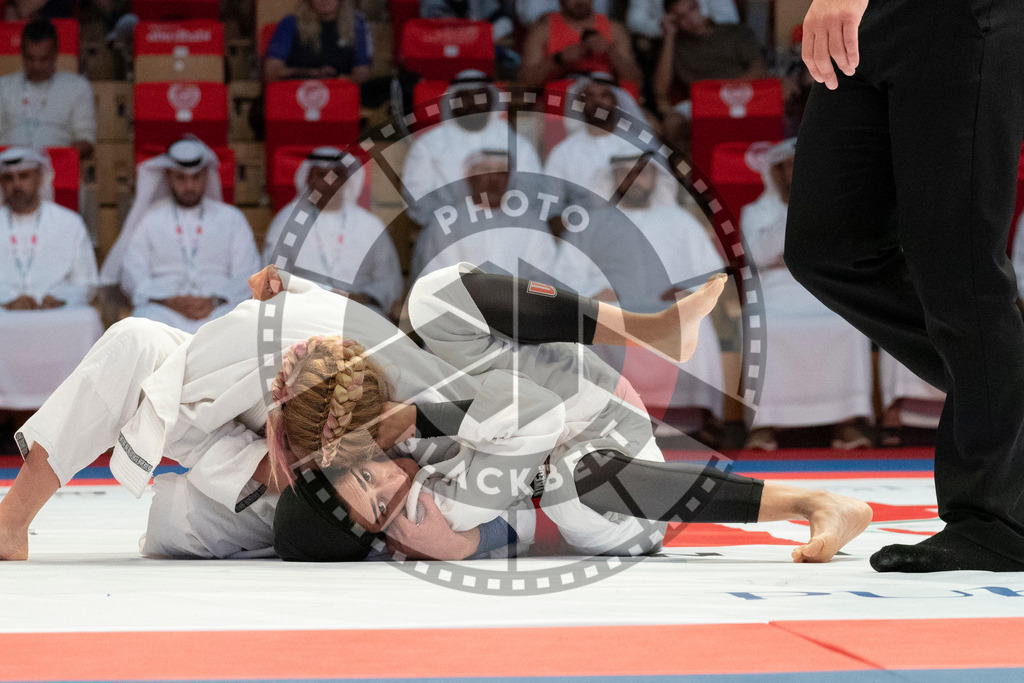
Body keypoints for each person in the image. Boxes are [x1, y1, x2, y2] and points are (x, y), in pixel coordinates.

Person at [265, 262, 872, 563]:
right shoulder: (434, 521)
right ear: (377, 530)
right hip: (611, 486)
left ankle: (647, 329)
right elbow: (534, 417)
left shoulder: (382, 444)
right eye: (373, 498)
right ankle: (807, 504)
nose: (384, 472)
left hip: (585, 395)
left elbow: (381, 343)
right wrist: (421, 422)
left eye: (364, 467)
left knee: (434, 296)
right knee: (567, 486)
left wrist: (299, 291)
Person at [786, 0, 1024, 572]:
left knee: (956, 260)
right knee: (828, 250)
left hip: (965, 14)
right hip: (868, 20)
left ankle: (998, 521)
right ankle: (1006, 392)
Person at [568, 154, 728, 445]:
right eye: (623, 173)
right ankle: (610, 415)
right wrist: (595, 291)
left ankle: (691, 419)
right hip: (614, 308)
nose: (633, 180)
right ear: (611, 178)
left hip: (670, 307)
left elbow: (712, 271)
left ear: (655, 178)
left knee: (694, 325)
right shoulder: (590, 224)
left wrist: (686, 290)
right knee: (598, 324)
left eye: (642, 173)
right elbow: (565, 272)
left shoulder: (679, 220)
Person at [740, 139, 873, 451]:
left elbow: (839, 253)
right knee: (767, 328)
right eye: (790, 167)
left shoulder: (833, 205)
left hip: (821, 286)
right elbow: (758, 254)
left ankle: (846, 422)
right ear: (776, 171)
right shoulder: (755, 211)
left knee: (849, 325)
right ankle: (765, 425)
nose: (796, 173)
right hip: (775, 291)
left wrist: (788, 252)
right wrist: (795, 214)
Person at [102, 138, 261, 334]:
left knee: (242, 325)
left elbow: (248, 274)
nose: (189, 186)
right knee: (140, 325)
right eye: (181, 178)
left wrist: (214, 301)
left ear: (206, 176)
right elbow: (133, 274)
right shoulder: (149, 219)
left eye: (196, 178)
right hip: (162, 309)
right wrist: (170, 302)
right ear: (167, 176)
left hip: (220, 308)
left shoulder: (232, 218)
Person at [0, 147, 102, 428]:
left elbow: (86, 281)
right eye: (8, 179)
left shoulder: (69, 223)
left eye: (23, 176)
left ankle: (78, 422)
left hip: (56, 312)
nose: (15, 185)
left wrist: (59, 298)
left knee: (87, 319)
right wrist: (7, 300)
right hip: (5, 313)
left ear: (40, 179)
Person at [262, 147, 403, 320]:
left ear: (346, 180)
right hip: (301, 311)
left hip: (358, 310)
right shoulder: (285, 222)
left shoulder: (370, 225)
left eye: (336, 175)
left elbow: (388, 281)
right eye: (320, 174)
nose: (328, 182)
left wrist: (363, 297)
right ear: (308, 178)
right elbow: (270, 279)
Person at [401, 70, 543, 228]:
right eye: (464, 98)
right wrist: (453, 223)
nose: (473, 103)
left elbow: (530, 188)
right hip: (447, 231)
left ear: (491, 99)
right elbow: (417, 196)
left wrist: (502, 219)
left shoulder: (516, 143)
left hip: (507, 226)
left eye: (480, 97)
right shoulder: (428, 144)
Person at [542, 73, 653, 235]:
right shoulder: (563, 153)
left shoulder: (639, 148)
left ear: (617, 102)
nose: (597, 102)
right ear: (580, 104)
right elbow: (551, 211)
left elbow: (662, 203)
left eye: (604, 96)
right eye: (590, 96)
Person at [653, 0, 766, 157]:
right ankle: (690, 179)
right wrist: (669, 37)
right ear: (673, 20)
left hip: (741, 94)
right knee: (672, 122)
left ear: (699, 5)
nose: (690, 19)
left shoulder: (735, 32)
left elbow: (759, 70)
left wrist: (721, 93)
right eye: (681, 17)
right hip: (698, 102)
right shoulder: (676, 45)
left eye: (691, 9)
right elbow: (660, 90)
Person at [0, 18, 96, 159]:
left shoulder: (77, 87)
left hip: (59, 171)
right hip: (10, 173)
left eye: (44, 59)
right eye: (30, 58)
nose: (36, 65)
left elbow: (87, 142)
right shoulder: (3, 86)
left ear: (56, 53)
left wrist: (51, 158)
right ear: (21, 52)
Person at [519, 0, 641, 88]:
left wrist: (610, 53)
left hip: (606, 100)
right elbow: (526, 82)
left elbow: (636, 80)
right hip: (560, 101)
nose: (579, 1)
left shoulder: (614, 29)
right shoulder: (542, 31)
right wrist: (558, 59)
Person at [263, 0, 372, 86]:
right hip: (297, 93)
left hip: (340, 93)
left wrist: (344, 80)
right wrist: (312, 73)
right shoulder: (290, 23)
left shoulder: (356, 24)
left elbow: (363, 70)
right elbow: (271, 71)